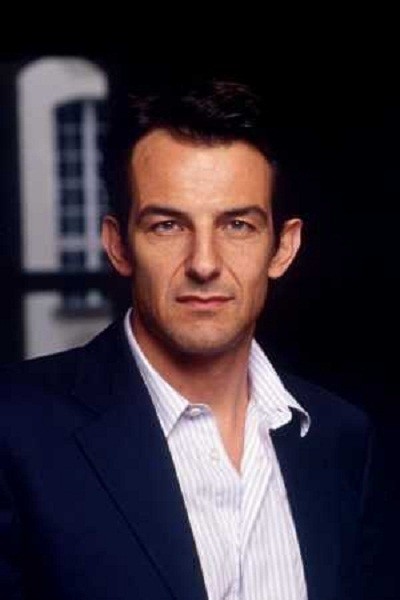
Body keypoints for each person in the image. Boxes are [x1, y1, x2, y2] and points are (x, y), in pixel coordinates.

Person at [0, 77, 381, 600]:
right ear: (118, 245)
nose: (204, 263)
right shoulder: (14, 429)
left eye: (237, 225)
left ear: (283, 247)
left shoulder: (340, 438)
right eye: (168, 226)